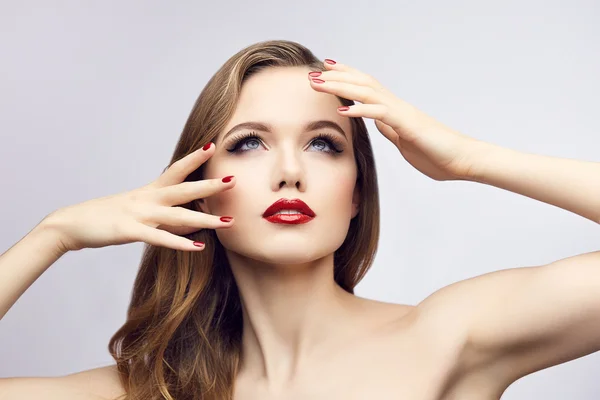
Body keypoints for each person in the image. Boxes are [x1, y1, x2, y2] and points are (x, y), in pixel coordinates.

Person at [0, 39, 598, 400]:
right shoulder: (150, 389)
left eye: (323, 145)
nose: (290, 172)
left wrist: (470, 159)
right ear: (200, 193)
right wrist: (55, 235)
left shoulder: (448, 338)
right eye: (249, 144)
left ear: (357, 192)